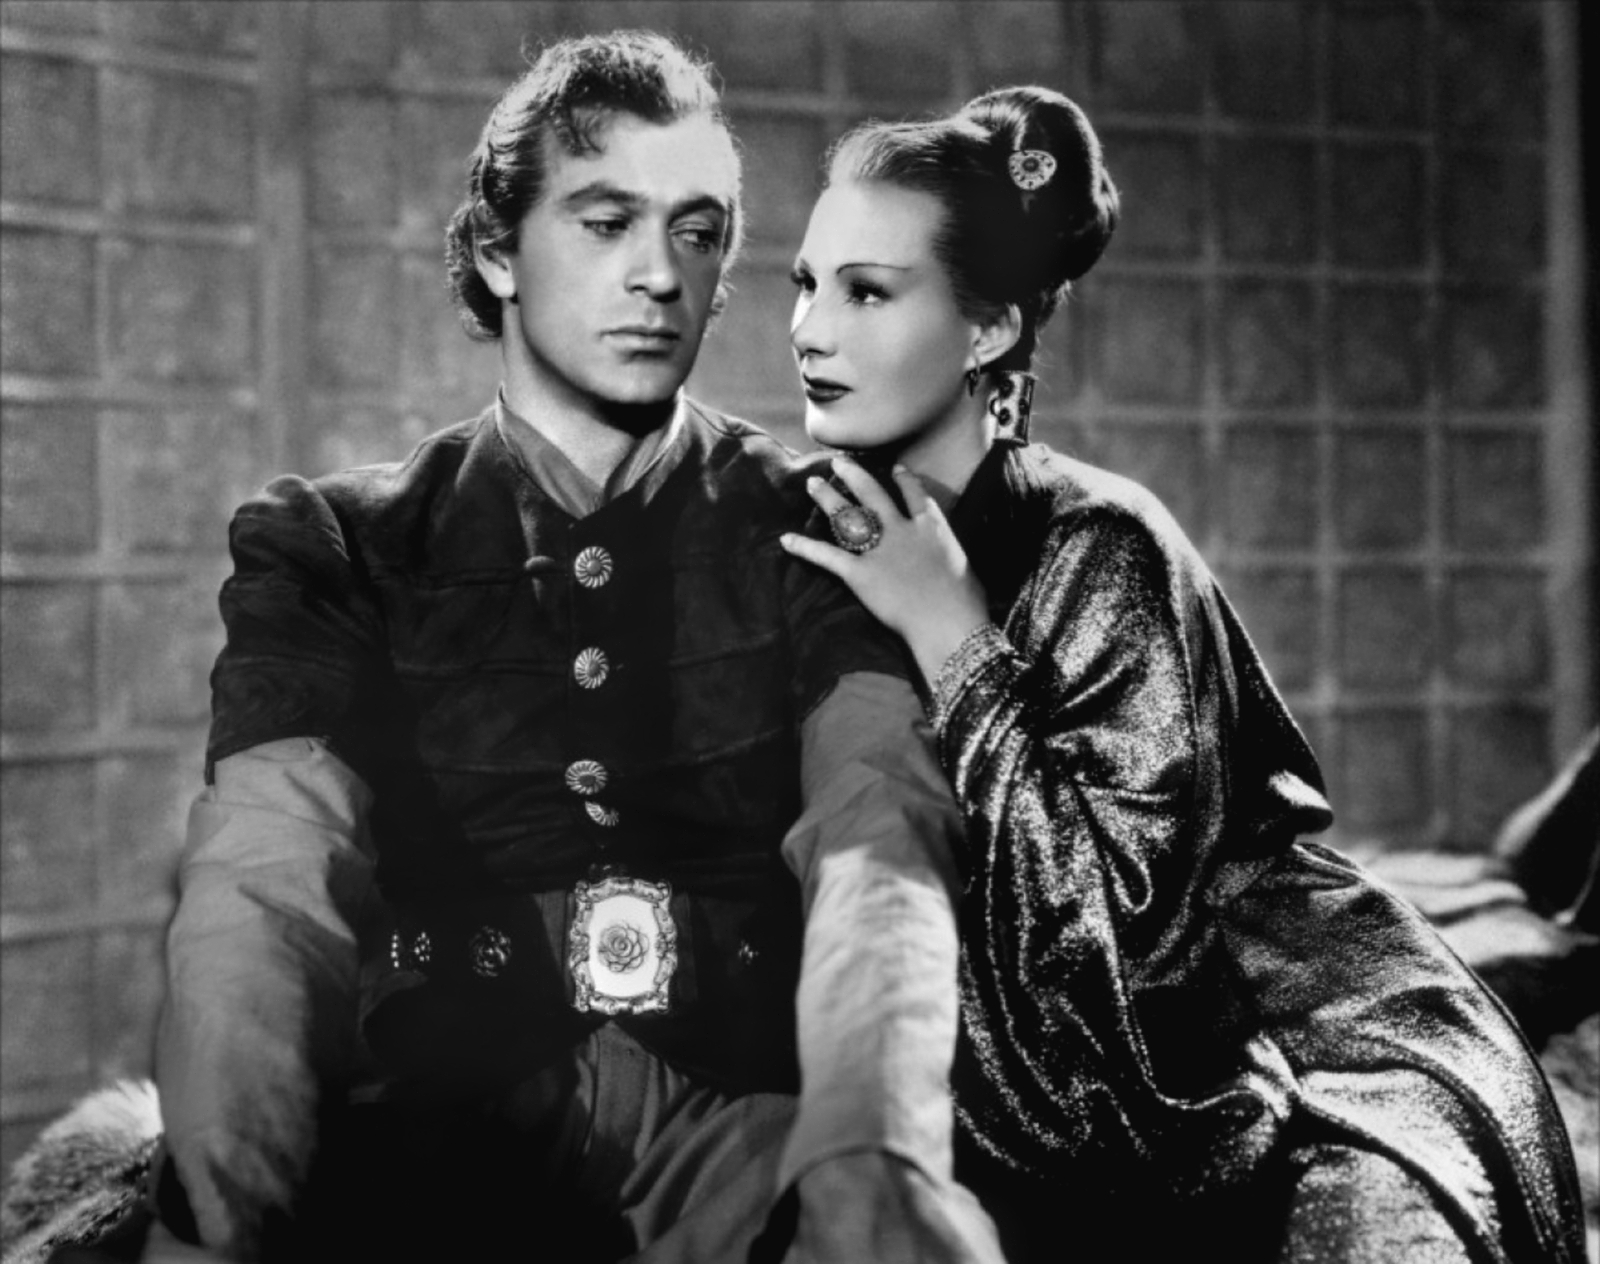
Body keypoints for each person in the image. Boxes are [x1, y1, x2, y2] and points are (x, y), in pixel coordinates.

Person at [147, 32, 1002, 1264]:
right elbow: (269, 876)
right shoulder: (336, 543)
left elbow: (882, 833)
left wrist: (873, 1157)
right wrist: (227, 1200)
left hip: (747, 1124)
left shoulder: (822, 522)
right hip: (442, 1122)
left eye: (697, 234)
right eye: (606, 224)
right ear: (499, 251)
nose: (659, 275)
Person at [778, 86, 1589, 1263]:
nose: (808, 329)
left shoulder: (1104, 546)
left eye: (865, 291)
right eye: (804, 283)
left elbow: (1114, 948)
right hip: (999, 1071)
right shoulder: (803, 530)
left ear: (988, 330)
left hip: (1273, 1034)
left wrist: (953, 636)